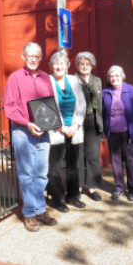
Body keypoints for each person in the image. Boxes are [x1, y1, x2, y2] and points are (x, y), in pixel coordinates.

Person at [3, 42, 58, 232]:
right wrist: (28, 124)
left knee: (41, 173)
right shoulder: (15, 78)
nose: (33, 59)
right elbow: (10, 107)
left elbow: (49, 104)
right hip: (23, 131)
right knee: (26, 174)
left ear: (40, 58)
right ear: (23, 56)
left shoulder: (45, 78)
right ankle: (29, 213)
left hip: (43, 132)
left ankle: (40, 209)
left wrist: (52, 123)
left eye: (37, 56)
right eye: (30, 56)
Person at [47, 51, 86, 212]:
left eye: (62, 63)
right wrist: (62, 127)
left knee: (74, 165)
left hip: (74, 129)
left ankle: (73, 196)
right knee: (54, 168)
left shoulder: (74, 81)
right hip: (56, 130)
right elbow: (46, 107)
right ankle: (57, 199)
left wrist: (75, 125)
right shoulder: (46, 82)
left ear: (67, 66)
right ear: (51, 66)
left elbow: (82, 104)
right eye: (56, 63)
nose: (59, 66)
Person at [102, 66, 133, 201]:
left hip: (128, 133)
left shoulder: (132, 90)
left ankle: (132, 189)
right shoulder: (105, 92)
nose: (114, 78)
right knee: (116, 162)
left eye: (117, 75)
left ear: (122, 76)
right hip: (113, 133)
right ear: (109, 78)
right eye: (111, 76)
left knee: (130, 162)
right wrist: (104, 131)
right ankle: (119, 188)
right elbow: (103, 114)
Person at [75, 52, 103, 202]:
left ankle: (91, 188)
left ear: (92, 66)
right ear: (77, 66)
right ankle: (78, 187)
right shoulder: (72, 80)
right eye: (82, 64)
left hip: (93, 120)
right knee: (78, 155)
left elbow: (101, 103)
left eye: (88, 64)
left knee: (93, 155)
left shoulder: (97, 81)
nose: (85, 66)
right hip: (77, 121)